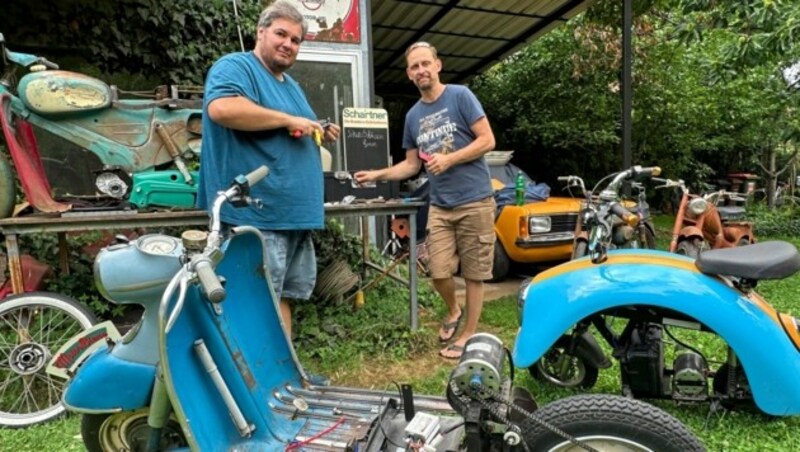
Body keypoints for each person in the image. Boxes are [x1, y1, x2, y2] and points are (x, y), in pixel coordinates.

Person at [197, 1, 341, 343]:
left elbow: (287, 127)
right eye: (281, 34)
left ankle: (281, 374)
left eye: (295, 39)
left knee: (281, 299)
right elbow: (222, 108)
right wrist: (289, 119)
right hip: (257, 214)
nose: (288, 44)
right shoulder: (236, 67)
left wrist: (318, 127)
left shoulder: (290, 85)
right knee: (252, 303)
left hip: (291, 216)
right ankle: (250, 386)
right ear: (260, 32)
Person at [354, 42, 496, 360]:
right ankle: (453, 309)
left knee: (474, 273)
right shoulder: (414, 116)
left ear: (437, 65)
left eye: (425, 64)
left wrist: (450, 160)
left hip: (475, 200)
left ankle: (469, 334)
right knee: (437, 270)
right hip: (441, 205)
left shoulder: (460, 96)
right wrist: (376, 174)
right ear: (409, 74)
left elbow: (488, 140)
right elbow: (411, 165)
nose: (421, 70)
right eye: (414, 67)